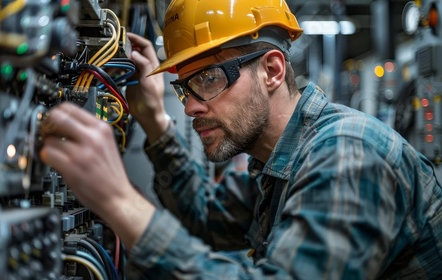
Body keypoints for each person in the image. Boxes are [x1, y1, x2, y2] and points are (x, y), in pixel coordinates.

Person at [40, 0, 442, 278]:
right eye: (185, 89)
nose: (191, 107)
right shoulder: (274, 161)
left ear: (272, 70)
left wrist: (118, 202)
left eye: (209, 79)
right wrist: (155, 121)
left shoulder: (348, 153)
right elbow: (205, 217)